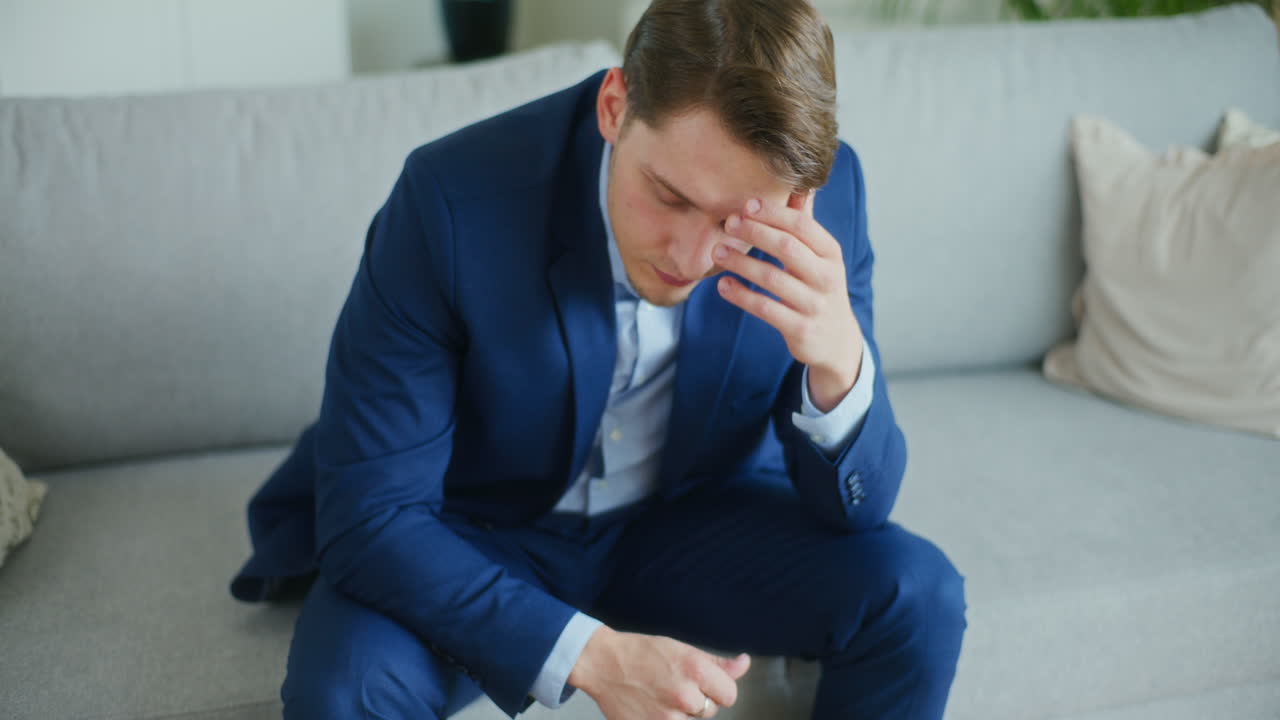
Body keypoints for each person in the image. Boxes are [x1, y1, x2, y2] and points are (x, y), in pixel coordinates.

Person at [230, 1, 967, 718]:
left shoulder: (829, 203)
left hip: (691, 522)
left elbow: (860, 509)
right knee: (344, 694)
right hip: (476, 528)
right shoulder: (449, 201)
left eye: (733, 222)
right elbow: (374, 518)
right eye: (669, 196)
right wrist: (594, 655)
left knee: (920, 596)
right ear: (615, 107)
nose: (692, 256)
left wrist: (839, 362)